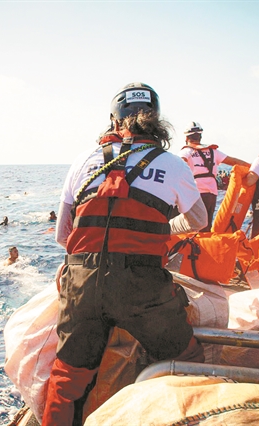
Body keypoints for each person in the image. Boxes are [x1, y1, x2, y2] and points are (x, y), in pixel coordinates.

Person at [44, 82, 207, 425]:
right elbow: (199, 220)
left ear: (114, 121)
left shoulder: (83, 161)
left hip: (83, 283)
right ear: (156, 121)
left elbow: (63, 235)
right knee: (188, 360)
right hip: (143, 286)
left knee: (67, 382)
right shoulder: (173, 164)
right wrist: (163, 231)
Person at [179, 121, 249, 232]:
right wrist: (253, 168)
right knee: (206, 226)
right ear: (200, 136)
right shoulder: (213, 151)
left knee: (193, 225)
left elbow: (179, 164)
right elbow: (234, 161)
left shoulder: (186, 152)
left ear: (186, 138)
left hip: (195, 193)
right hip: (211, 193)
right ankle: (205, 247)